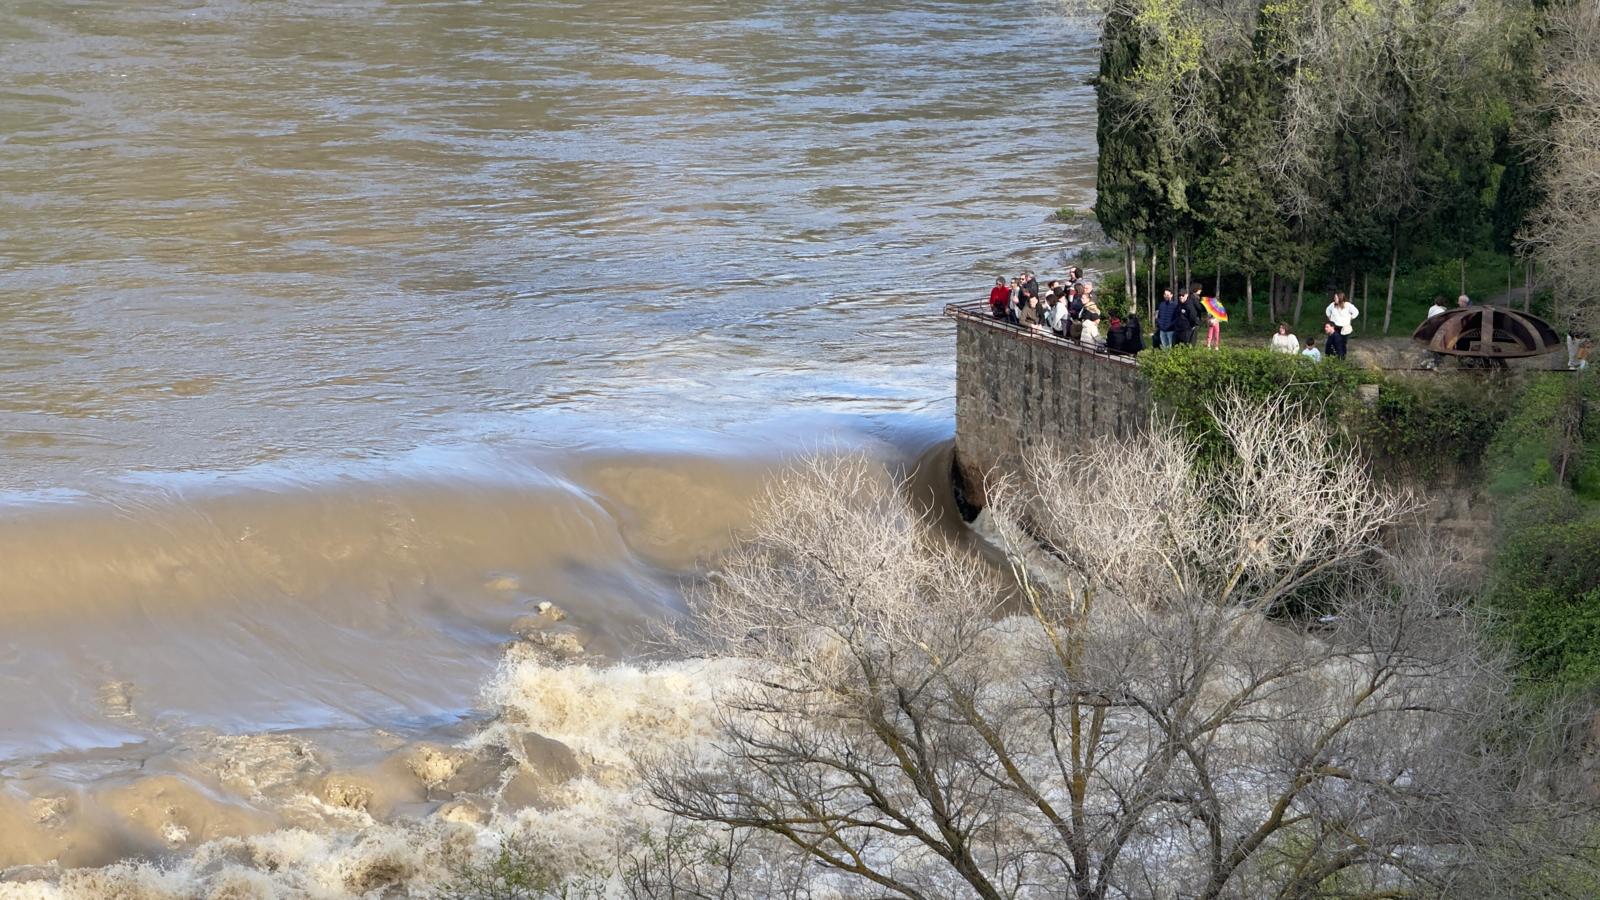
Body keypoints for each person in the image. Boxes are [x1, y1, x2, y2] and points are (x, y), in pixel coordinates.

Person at [1324, 292, 1358, 358]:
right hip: (1335, 327)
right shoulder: (1332, 305)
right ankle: (1331, 357)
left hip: (1344, 328)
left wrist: (1351, 318)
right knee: (1332, 342)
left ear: (1340, 298)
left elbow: (1356, 312)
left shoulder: (1348, 305)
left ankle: (1342, 358)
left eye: (1336, 298)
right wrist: (1330, 318)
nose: (1334, 299)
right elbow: (1327, 310)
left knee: (1342, 344)